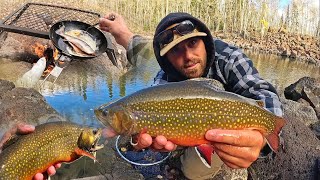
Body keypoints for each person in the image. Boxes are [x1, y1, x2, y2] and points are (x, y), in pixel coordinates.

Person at [99, 12, 283, 179]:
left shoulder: (229, 56)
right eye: (175, 50)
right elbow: (143, 51)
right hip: (192, 136)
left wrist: (259, 141)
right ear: (166, 59)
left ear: (205, 40)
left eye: (192, 43)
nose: (187, 56)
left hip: (229, 130)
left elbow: (262, 92)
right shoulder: (161, 82)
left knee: (192, 171)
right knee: (165, 150)